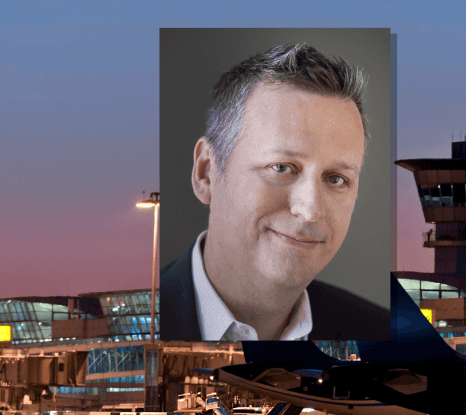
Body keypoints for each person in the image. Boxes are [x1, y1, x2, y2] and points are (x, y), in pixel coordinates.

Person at [161, 43, 388, 341]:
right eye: (281, 168)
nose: (308, 210)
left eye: (335, 178)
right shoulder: (124, 331)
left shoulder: (380, 333)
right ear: (207, 172)